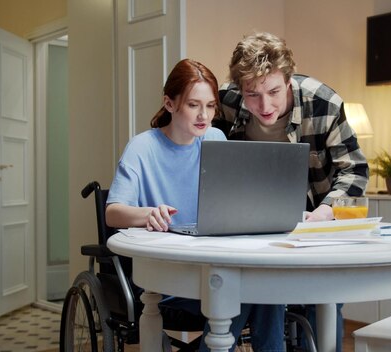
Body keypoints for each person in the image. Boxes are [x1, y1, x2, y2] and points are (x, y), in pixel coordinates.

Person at [105, 58, 285, 351]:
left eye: (211, 106)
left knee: (267, 292)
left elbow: (233, 204)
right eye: (193, 105)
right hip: (165, 277)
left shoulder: (215, 139)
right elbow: (112, 213)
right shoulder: (142, 147)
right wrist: (148, 213)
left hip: (212, 269)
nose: (205, 116)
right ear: (170, 103)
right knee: (249, 295)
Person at [215, 32, 369, 352]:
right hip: (251, 231)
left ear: (288, 79)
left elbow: (354, 170)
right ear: (240, 89)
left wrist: (324, 213)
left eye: (273, 91)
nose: (264, 105)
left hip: (316, 224)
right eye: (252, 94)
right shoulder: (226, 101)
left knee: (320, 307)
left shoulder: (323, 103)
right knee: (247, 301)